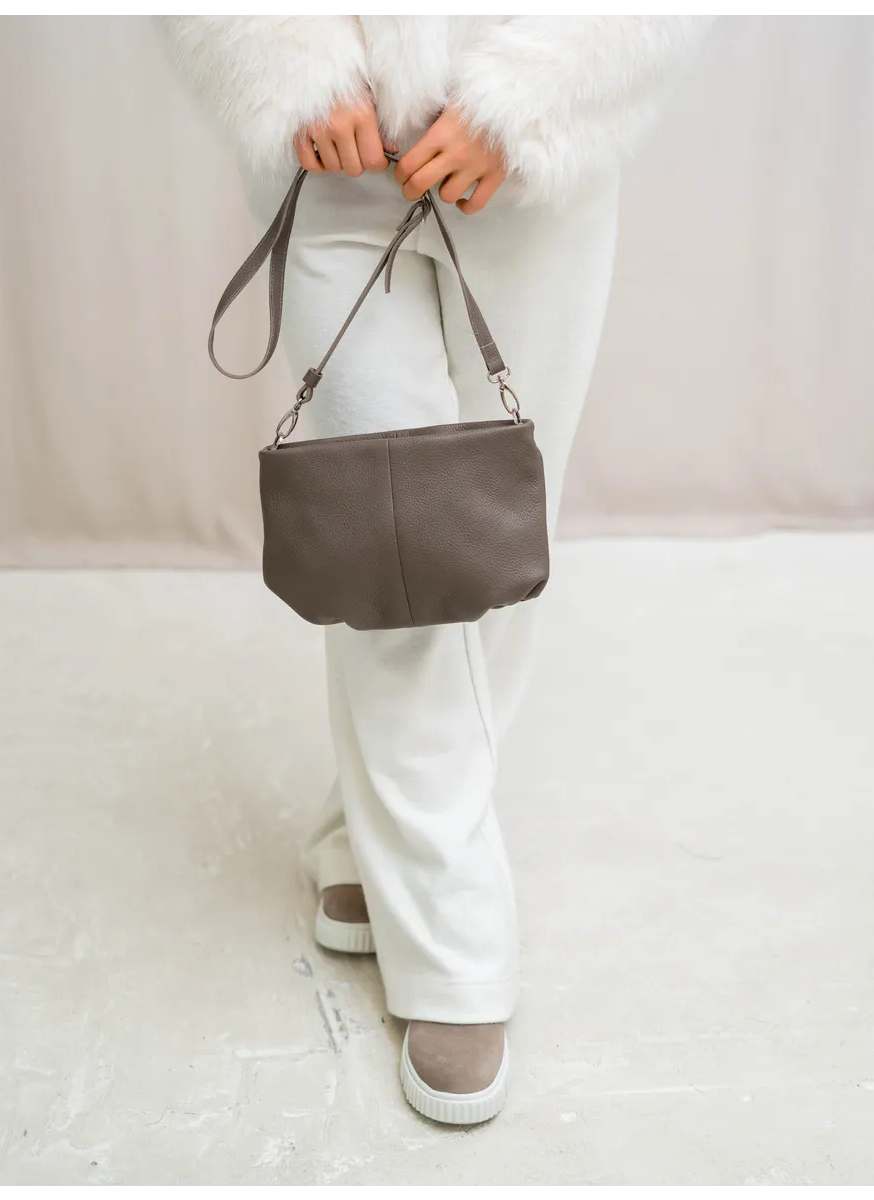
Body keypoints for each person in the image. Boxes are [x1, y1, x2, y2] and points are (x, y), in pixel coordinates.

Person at [155, 7, 714, 1126]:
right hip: (335, 148)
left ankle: (363, 835)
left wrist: (534, 98)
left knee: (490, 547)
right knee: (390, 549)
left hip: (534, 161)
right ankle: (456, 951)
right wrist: (289, 61)